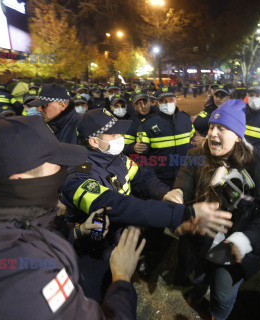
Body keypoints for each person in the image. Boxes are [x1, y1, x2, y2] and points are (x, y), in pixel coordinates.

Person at [0, 116, 145, 320]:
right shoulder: (28, 275)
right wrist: (121, 278)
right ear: (19, 180)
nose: (62, 168)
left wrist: (77, 231)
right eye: (53, 162)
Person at [59, 108, 233, 301]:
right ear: (93, 141)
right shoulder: (79, 175)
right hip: (91, 251)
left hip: (116, 241)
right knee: (97, 300)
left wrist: (165, 193)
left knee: (122, 295)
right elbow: (115, 205)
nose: (121, 137)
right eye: (114, 133)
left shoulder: (116, 158)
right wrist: (178, 214)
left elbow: (142, 177)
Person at [165, 99, 260, 320]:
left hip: (232, 252)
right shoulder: (195, 156)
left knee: (223, 296)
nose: (213, 134)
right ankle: (196, 295)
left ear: (238, 135)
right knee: (197, 280)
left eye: (222, 128)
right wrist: (178, 195)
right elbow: (183, 186)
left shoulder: (256, 165)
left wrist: (245, 240)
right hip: (199, 241)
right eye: (211, 127)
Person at [136, 86, 195, 187]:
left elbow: (192, 144)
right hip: (161, 180)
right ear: (157, 103)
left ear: (176, 100)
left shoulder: (185, 119)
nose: (168, 103)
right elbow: (142, 158)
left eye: (170, 100)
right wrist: (153, 180)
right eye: (163, 101)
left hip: (186, 177)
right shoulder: (147, 124)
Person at [123, 89, 155, 156]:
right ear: (133, 106)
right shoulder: (131, 123)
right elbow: (124, 146)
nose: (143, 106)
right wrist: (133, 148)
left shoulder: (161, 116)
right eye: (138, 103)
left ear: (149, 101)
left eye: (145, 101)